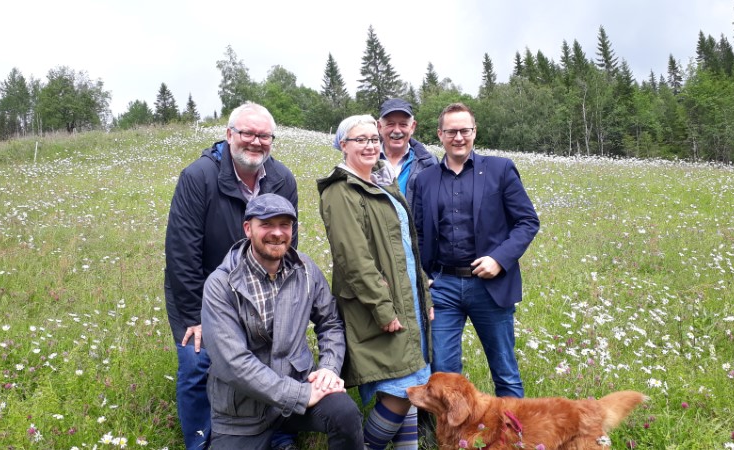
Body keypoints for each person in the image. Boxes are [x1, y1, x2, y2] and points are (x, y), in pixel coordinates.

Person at [164, 102, 298, 450]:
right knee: (199, 363)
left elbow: (287, 243)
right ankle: (202, 441)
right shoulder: (198, 177)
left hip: (261, 289)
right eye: (248, 133)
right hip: (204, 293)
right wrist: (195, 316)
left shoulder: (282, 179)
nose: (256, 142)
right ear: (229, 135)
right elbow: (182, 252)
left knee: (277, 356)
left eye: (264, 135)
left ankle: (279, 435)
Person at [201, 193, 364, 450]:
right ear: (248, 228)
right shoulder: (221, 285)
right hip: (242, 411)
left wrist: (329, 370)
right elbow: (233, 363)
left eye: (285, 225)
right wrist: (299, 395)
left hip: (300, 390)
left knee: (345, 414)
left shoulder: (306, 270)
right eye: (266, 224)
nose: (277, 233)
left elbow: (330, 323)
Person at [317, 114, 433, 450]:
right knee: (400, 393)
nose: (370, 146)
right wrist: (383, 309)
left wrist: (424, 298)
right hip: (380, 307)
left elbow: (407, 250)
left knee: (410, 390)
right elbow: (354, 260)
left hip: (407, 302)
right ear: (343, 146)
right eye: (360, 140)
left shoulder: (382, 183)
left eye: (373, 139)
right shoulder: (341, 192)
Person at [413, 102, 539, 399]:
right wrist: (424, 276)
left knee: (505, 370)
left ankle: (513, 439)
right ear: (440, 134)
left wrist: (499, 258)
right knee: (443, 373)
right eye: (452, 131)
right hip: (443, 286)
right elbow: (417, 234)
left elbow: (527, 221)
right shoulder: (425, 180)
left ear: (474, 132)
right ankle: (454, 441)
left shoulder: (500, 169)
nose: (459, 137)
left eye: (465, 130)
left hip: (491, 286)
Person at [377, 98, 438, 210]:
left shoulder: (429, 163)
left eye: (403, 124)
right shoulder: (366, 161)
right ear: (379, 127)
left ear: (412, 127)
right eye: (390, 124)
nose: (397, 130)